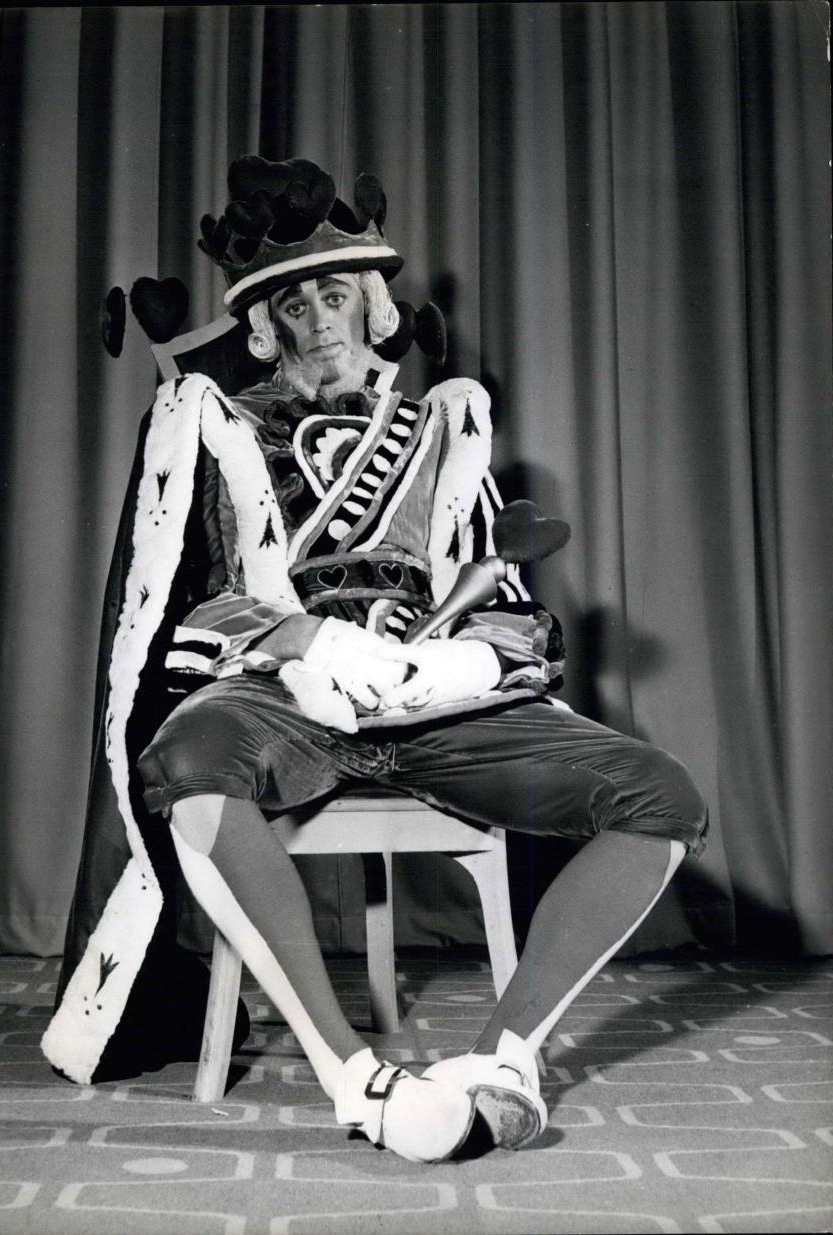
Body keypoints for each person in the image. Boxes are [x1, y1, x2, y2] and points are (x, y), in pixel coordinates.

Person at [42, 157, 708, 1164]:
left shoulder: (441, 426)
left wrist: (456, 669)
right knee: (187, 768)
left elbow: (516, 611)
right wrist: (308, 638)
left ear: (371, 305)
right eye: (293, 299)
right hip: (280, 693)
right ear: (261, 322)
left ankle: (504, 1057)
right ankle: (353, 1073)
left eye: (336, 293)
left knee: (660, 794)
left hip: (432, 696)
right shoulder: (210, 422)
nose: (319, 316)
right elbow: (185, 595)